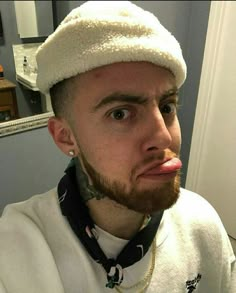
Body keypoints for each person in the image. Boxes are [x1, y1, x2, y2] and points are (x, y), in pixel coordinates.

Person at [0, 1, 235, 292]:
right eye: (120, 113)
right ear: (65, 137)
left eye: (166, 107)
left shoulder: (202, 225)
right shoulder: (19, 250)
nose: (163, 138)